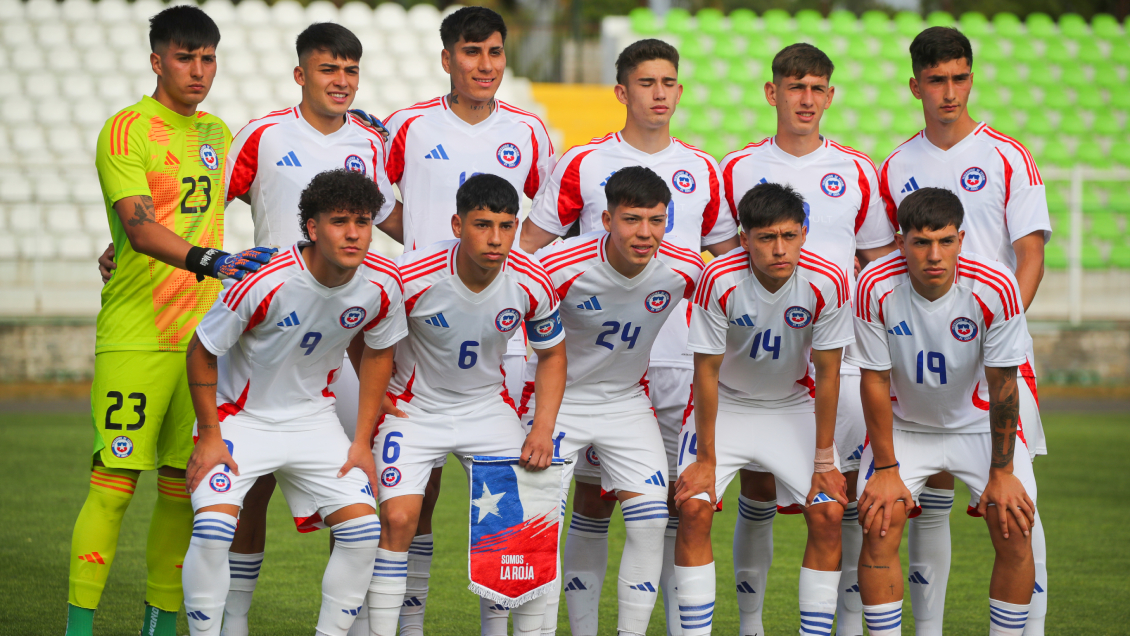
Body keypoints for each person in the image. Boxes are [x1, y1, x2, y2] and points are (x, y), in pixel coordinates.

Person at [518, 39, 739, 636]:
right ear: (622, 91)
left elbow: (722, 264)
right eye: (646, 82)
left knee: (671, 511)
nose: (659, 93)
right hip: (586, 364)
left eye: (669, 82)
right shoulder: (583, 163)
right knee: (578, 505)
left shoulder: (703, 169)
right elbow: (531, 250)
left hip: (678, 364)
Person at [66, 7, 274, 636]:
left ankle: (157, 628)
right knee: (113, 484)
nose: (198, 70)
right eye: (185, 57)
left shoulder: (216, 132)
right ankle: (78, 630)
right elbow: (136, 222)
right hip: (136, 334)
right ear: (157, 60)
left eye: (208, 58)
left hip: (202, 343)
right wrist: (206, 259)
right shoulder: (125, 129)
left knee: (184, 491)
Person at [215, 23, 399, 635]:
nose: (341, 81)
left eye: (350, 70)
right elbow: (200, 203)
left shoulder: (372, 141)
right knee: (254, 486)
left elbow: (391, 224)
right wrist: (124, 244)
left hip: (341, 337)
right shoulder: (264, 135)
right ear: (302, 75)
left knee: (350, 477)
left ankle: (347, 624)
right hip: (264, 327)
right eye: (328, 70)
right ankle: (233, 619)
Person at [379, 8, 557, 632]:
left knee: (505, 506)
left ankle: (504, 615)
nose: (485, 65)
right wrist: (432, 254)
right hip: (420, 326)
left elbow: (546, 215)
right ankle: (404, 621)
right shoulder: (406, 126)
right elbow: (379, 207)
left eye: (495, 53)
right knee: (409, 500)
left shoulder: (531, 131)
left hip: (498, 336)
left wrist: (513, 264)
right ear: (448, 56)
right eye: (472, 52)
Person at [718, 43, 896, 636]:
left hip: (836, 363)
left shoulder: (857, 169)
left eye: (818, 88)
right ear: (773, 93)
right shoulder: (738, 167)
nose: (807, 99)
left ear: (830, 96)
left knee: (839, 497)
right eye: (796, 87)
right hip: (761, 361)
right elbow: (721, 256)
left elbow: (878, 259)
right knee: (758, 486)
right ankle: (751, 623)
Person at [877, 27, 1051, 635]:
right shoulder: (896, 163)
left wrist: (995, 331)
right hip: (919, 354)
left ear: (971, 78)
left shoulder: (1007, 155)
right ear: (915, 85)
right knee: (922, 506)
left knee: (1016, 509)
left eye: (960, 77)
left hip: (993, 353)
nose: (949, 92)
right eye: (936, 80)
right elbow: (883, 259)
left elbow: (1029, 254)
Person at [180, 168, 405, 636]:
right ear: (312, 228)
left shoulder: (383, 282)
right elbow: (202, 350)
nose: (353, 234)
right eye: (339, 221)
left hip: (314, 422)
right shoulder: (264, 279)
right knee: (214, 530)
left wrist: (361, 441)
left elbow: (379, 353)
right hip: (240, 421)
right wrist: (209, 436)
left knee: (364, 532)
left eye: (362, 222)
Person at [363, 173, 566, 636]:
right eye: (482, 225)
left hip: (486, 409)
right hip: (415, 410)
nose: (495, 239)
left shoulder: (531, 278)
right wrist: (377, 400)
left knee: (520, 526)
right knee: (398, 518)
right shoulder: (411, 274)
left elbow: (553, 355)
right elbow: (367, 337)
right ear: (458, 224)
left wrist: (542, 428)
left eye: (505, 226)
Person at [520, 166, 705, 636]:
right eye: (632, 219)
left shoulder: (685, 270)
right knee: (534, 528)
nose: (645, 233)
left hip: (625, 401)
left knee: (649, 517)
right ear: (606, 220)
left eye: (656, 220)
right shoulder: (560, 265)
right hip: (557, 403)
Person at [850, 187, 1037, 636]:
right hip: (906, 428)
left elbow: (1003, 384)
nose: (934, 255)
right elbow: (874, 380)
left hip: (975, 427)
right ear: (901, 243)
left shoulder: (996, 285)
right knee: (879, 521)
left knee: (1013, 523)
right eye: (921, 242)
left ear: (961, 239)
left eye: (946, 241)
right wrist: (888, 468)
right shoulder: (873, 285)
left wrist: (1003, 471)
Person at [675, 182, 854, 636]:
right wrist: (706, 461)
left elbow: (829, 374)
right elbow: (706, 373)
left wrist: (823, 459)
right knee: (694, 508)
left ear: (804, 233)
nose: (779, 249)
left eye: (790, 236)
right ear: (744, 237)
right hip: (727, 406)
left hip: (790, 407)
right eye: (766, 238)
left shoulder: (828, 280)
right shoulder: (719, 279)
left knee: (829, 513)